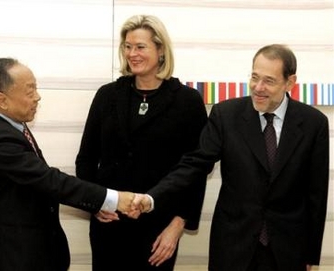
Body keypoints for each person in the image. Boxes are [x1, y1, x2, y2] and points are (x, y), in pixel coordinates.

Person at [134, 44, 330, 271]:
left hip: (288, 251)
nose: (258, 87)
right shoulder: (226, 115)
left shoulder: (314, 124)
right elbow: (194, 165)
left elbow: (316, 195)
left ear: (290, 83)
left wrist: (311, 256)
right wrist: (152, 197)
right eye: (254, 77)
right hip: (233, 248)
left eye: (269, 81)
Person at [0, 58, 137, 271]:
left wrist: (96, 205)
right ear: (2, 100)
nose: (37, 97)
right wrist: (112, 199)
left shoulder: (11, 124)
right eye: (29, 91)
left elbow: (39, 183)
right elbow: (48, 180)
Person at [75, 14, 208, 271]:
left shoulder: (187, 101)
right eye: (127, 47)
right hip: (109, 223)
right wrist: (94, 203)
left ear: (160, 50)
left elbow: (197, 171)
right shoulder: (107, 96)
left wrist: (177, 226)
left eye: (140, 47)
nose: (132, 54)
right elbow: (87, 158)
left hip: (159, 229)